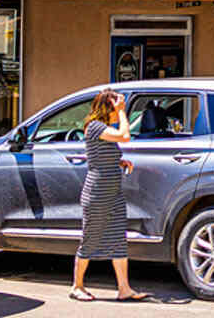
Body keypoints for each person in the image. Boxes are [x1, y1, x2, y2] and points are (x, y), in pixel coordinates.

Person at [71, 89, 146, 302]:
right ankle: (77, 286)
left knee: (118, 240)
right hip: (97, 194)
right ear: (108, 108)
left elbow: (100, 154)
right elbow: (125, 136)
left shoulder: (104, 129)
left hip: (112, 193)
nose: (118, 112)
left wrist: (120, 162)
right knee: (90, 238)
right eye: (115, 108)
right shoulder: (94, 127)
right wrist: (122, 112)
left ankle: (124, 288)